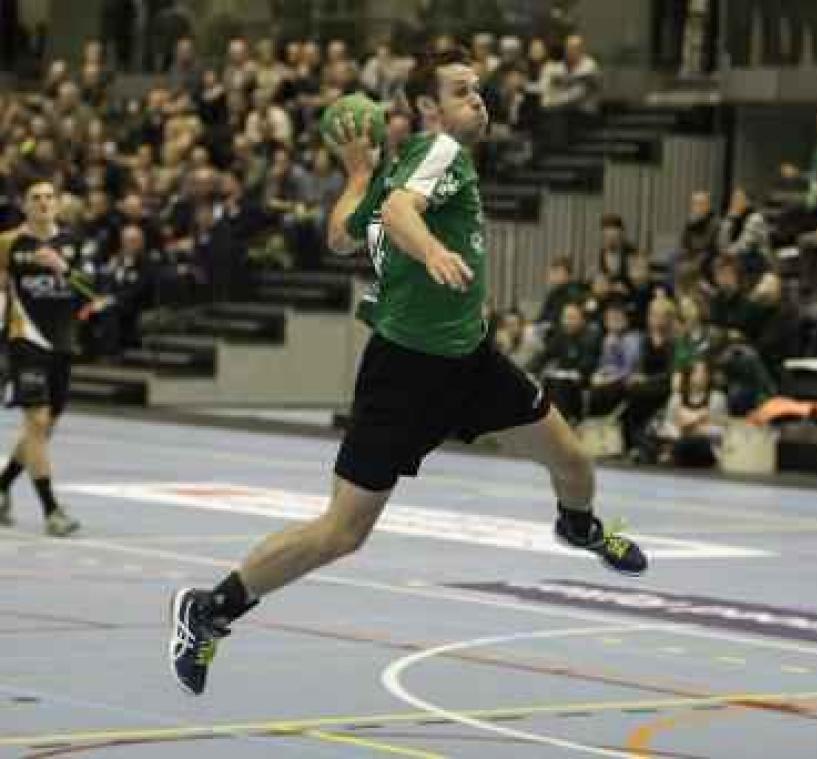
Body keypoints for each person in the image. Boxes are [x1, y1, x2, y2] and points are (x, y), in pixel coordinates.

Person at [167, 48, 647, 698]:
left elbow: (342, 234)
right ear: (428, 107)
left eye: (478, 89)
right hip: (404, 372)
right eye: (461, 90)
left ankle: (578, 527)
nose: (478, 99)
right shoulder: (439, 151)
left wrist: (359, 174)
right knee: (342, 532)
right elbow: (394, 216)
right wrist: (432, 250)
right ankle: (209, 608)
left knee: (573, 462)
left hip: (469, 361)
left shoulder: (405, 166)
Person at [0, 181, 86, 536]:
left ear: (58, 205)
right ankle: (51, 510)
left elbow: (93, 291)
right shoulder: (8, 243)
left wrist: (63, 269)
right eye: (35, 198)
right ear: (25, 206)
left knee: (45, 427)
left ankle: (2, 484)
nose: (43, 203)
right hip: (26, 340)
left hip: (62, 344)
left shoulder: (73, 243)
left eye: (49, 197)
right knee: (35, 421)